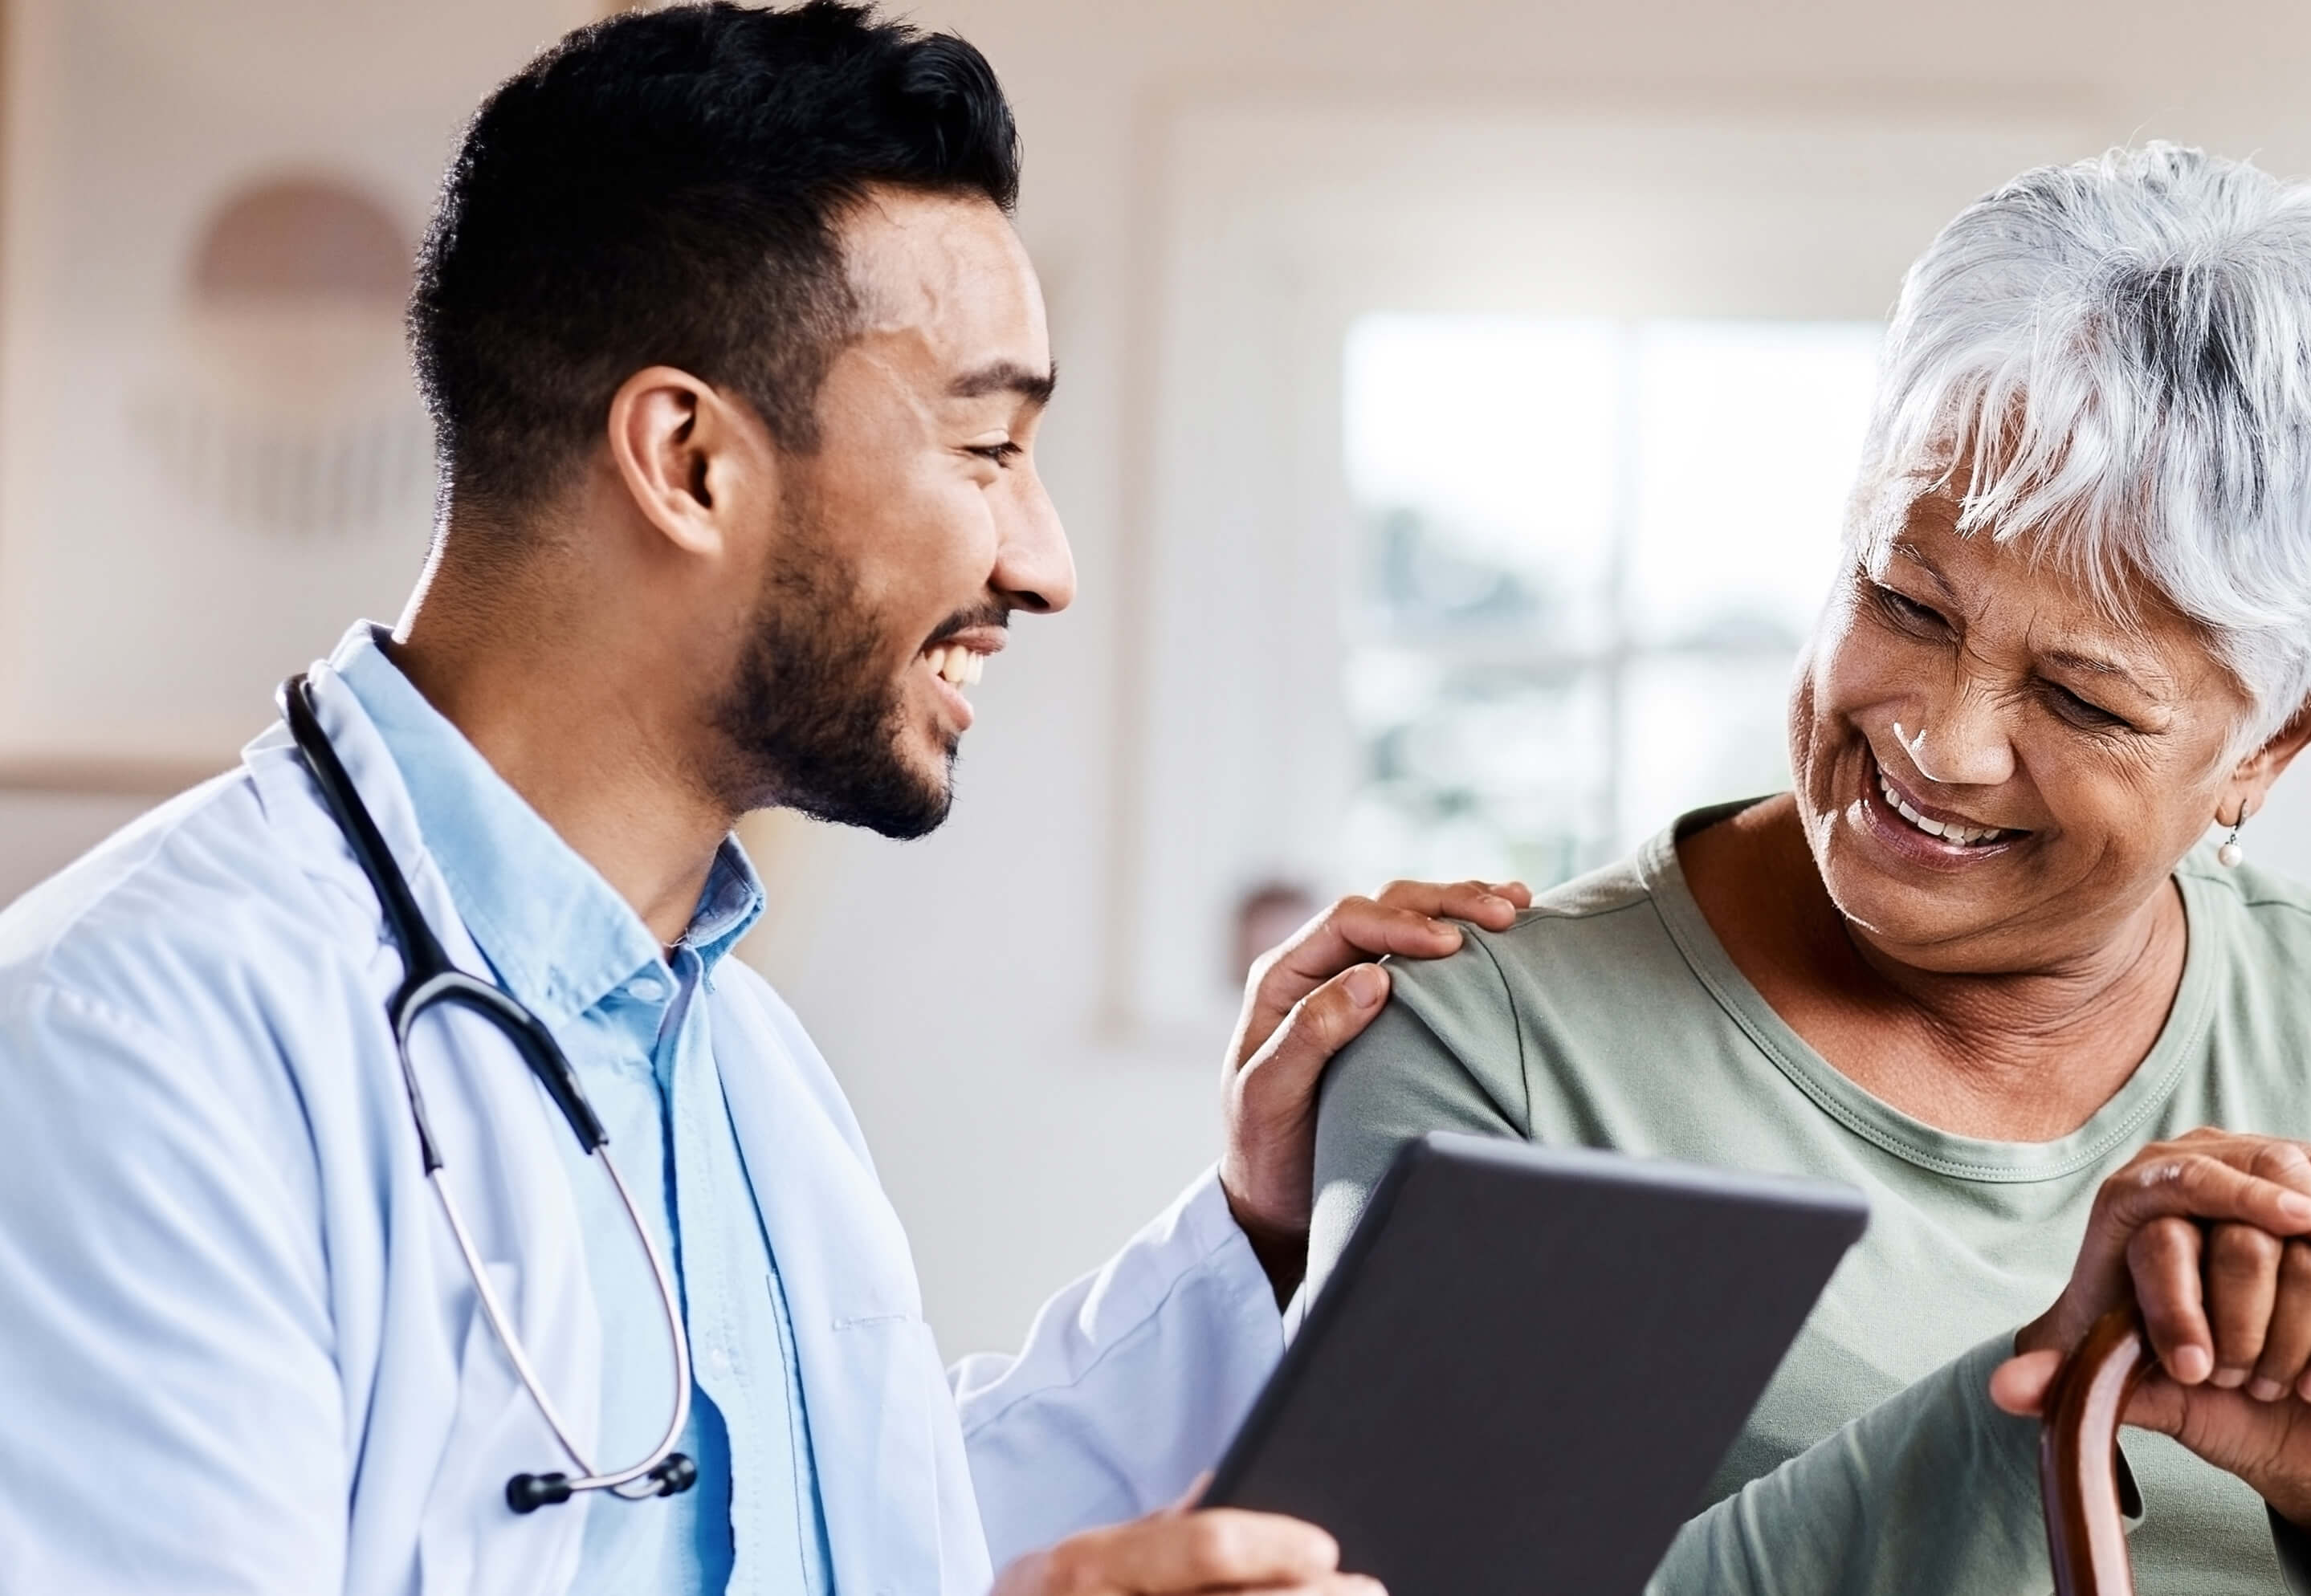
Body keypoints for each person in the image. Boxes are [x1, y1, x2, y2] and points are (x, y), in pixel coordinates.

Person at [0, 6, 1531, 1593]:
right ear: (690, 460)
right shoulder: (130, 1049)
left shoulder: (733, 1054)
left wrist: (1256, 1233)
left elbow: (861, 1543)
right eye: (989, 446)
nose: (1045, 563)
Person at [1306, 145, 2311, 1594]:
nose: (1941, 743)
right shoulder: (1497, 1043)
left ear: (2276, 747)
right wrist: (2045, 1394)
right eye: (1904, 598)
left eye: (2082, 701)